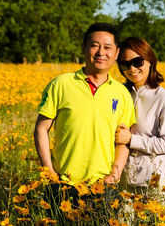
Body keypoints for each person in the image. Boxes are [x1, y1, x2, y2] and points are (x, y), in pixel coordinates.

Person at [34, 22, 136, 189]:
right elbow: (41, 129)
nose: (101, 52)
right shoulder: (61, 84)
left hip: (103, 186)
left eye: (107, 47)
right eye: (94, 46)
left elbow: (123, 141)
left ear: (117, 53)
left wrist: (115, 175)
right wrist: (49, 172)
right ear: (83, 48)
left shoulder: (122, 93)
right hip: (62, 182)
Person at [115, 37, 165, 226]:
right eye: (125, 64)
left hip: (158, 182)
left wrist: (131, 140)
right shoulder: (119, 95)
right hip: (125, 180)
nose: (132, 69)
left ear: (150, 60)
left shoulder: (164, 99)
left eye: (137, 62)